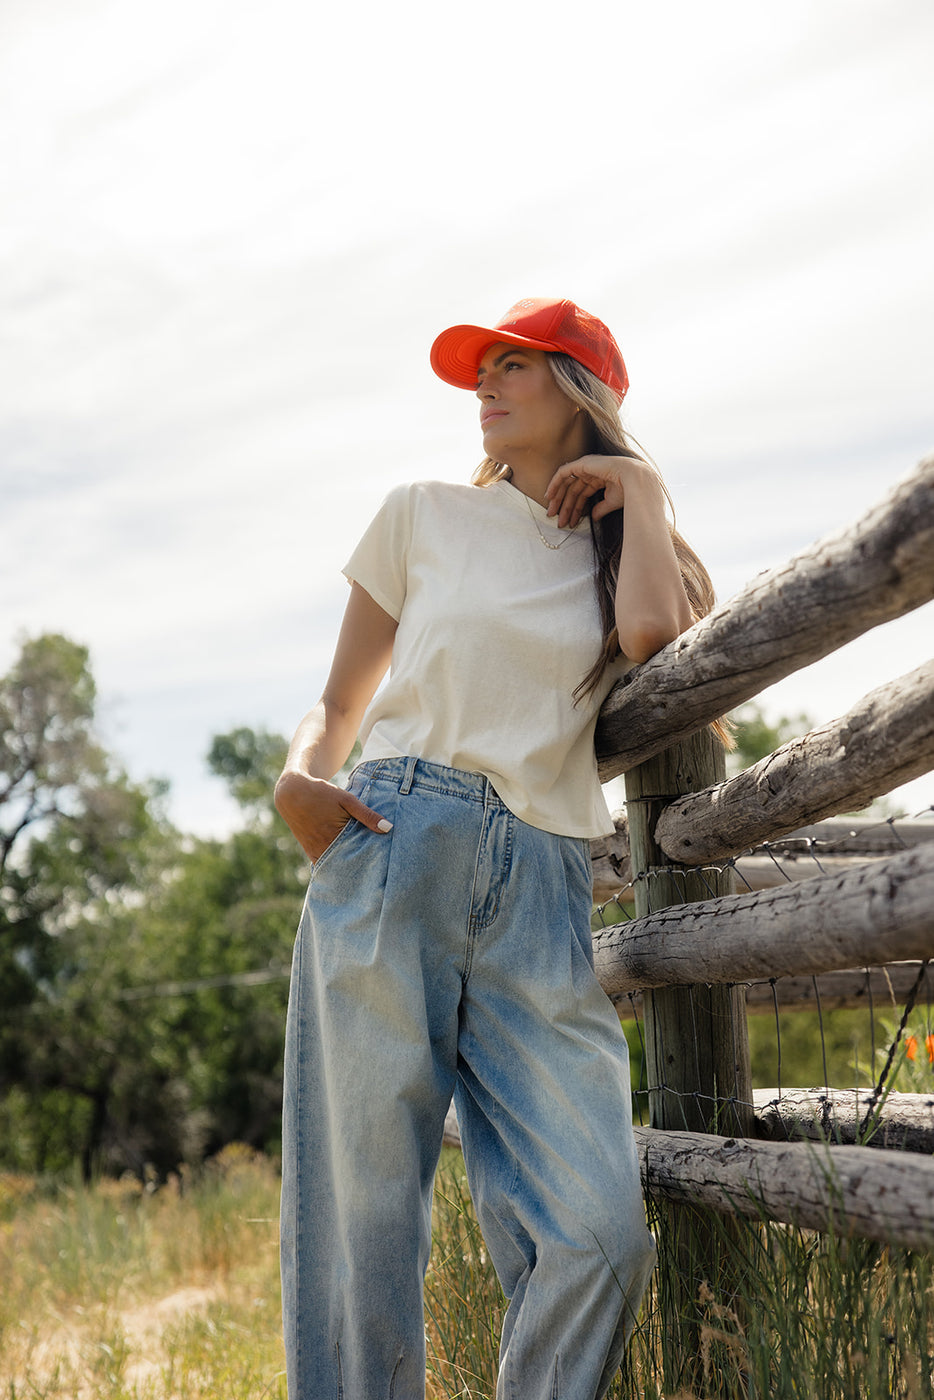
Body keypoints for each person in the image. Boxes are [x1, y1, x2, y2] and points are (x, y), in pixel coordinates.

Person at [275, 296, 717, 1400]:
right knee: (361, 1220)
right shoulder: (420, 513)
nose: (486, 384)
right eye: (484, 369)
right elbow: (339, 698)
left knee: (597, 1230)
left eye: (514, 366)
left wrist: (645, 491)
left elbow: (657, 640)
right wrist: (296, 779)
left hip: (541, 880)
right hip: (391, 836)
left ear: (579, 389)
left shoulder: (624, 551)